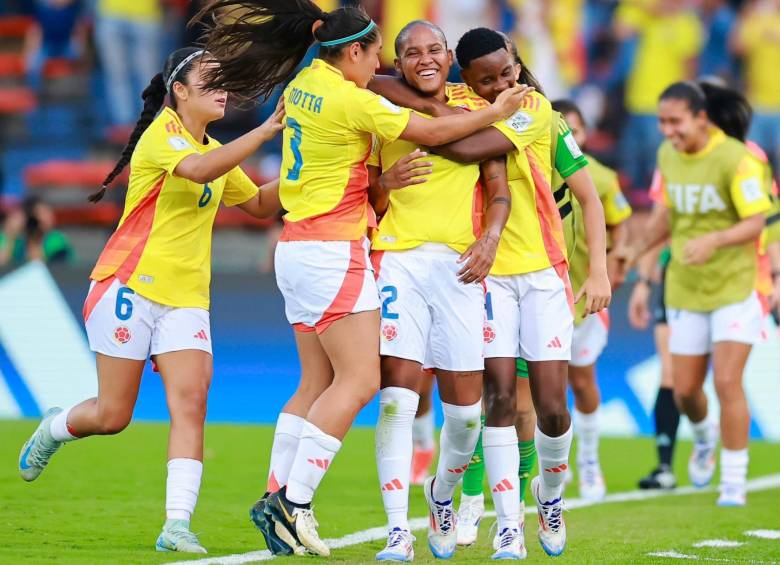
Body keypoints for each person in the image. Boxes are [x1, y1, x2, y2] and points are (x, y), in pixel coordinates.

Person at [194, 1, 529, 557]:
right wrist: (502, 112)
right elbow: (430, 130)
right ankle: (291, 504)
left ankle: (277, 494)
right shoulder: (352, 98)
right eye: (378, 57)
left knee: (314, 384)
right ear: (354, 51)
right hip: (333, 249)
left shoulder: (304, 82)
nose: (379, 71)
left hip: (295, 245)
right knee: (361, 383)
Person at [17, 47, 285, 554]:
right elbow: (203, 171)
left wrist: (317, 173)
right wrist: (268, 130)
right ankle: (54, 428)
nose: (223, 89)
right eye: (211, 81)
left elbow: (258, 204)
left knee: (192, 403)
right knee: (113, 416)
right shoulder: (164, 136)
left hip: (187, 300)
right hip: (128, 286)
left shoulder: (213, 147)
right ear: (179, 91)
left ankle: (176, 525)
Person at [373, 27, 610, 558]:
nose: (505, 84)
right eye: (489, 80)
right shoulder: (459, 101)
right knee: (498, 400)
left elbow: (468, 149)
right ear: (466, 78)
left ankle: (551, 498)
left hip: (544, 272)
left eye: (509, 71)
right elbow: (391, 87)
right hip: (485, 276)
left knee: (550, 406)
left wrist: (597, 271)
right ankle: (510, 525)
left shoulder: (533, 109)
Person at [367, 20, 511, 561]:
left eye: (433, 50)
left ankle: (442, 494)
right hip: (399, 260)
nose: (424, 59)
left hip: (459, 268)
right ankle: (397, 532)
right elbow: (372, 201)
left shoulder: (476, 104)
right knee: (398, 401)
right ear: (398, 61)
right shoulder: (381, 111)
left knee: (466, 415)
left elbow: (497, 189)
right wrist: (387, 183)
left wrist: (491, 238)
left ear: (450, 56)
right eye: (411, 53)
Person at [622, 80, 771, 507]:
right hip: (685, 288)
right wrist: (637, 248)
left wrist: (715, 241)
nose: (667, 130)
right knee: (686, 391)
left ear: (701, 118)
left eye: (675, 121)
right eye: (661, 122)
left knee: (727, 382)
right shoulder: (667, 156)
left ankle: (734, 483)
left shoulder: (738, 159)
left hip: (735, 286)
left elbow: (756, 222)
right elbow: (662, 217)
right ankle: (703, 438)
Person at [551, 99, 632, 501]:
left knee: (582, 381)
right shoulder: (532, 170)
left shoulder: (600, 178)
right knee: (543, 389)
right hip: (545, 296)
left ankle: (590, 462)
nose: (573, 137)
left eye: (578, 130)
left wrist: (616, 263)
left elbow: (621, 225)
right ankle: (554, 465)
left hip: (585, 301)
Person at [0, 196, 74, 266]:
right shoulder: (18, 241)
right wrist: (10, 234)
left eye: (47, 211)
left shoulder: (55, 238)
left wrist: (35, 240)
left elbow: (54, 266)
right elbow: (3, 264)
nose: (46, 217)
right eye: (41, 213)